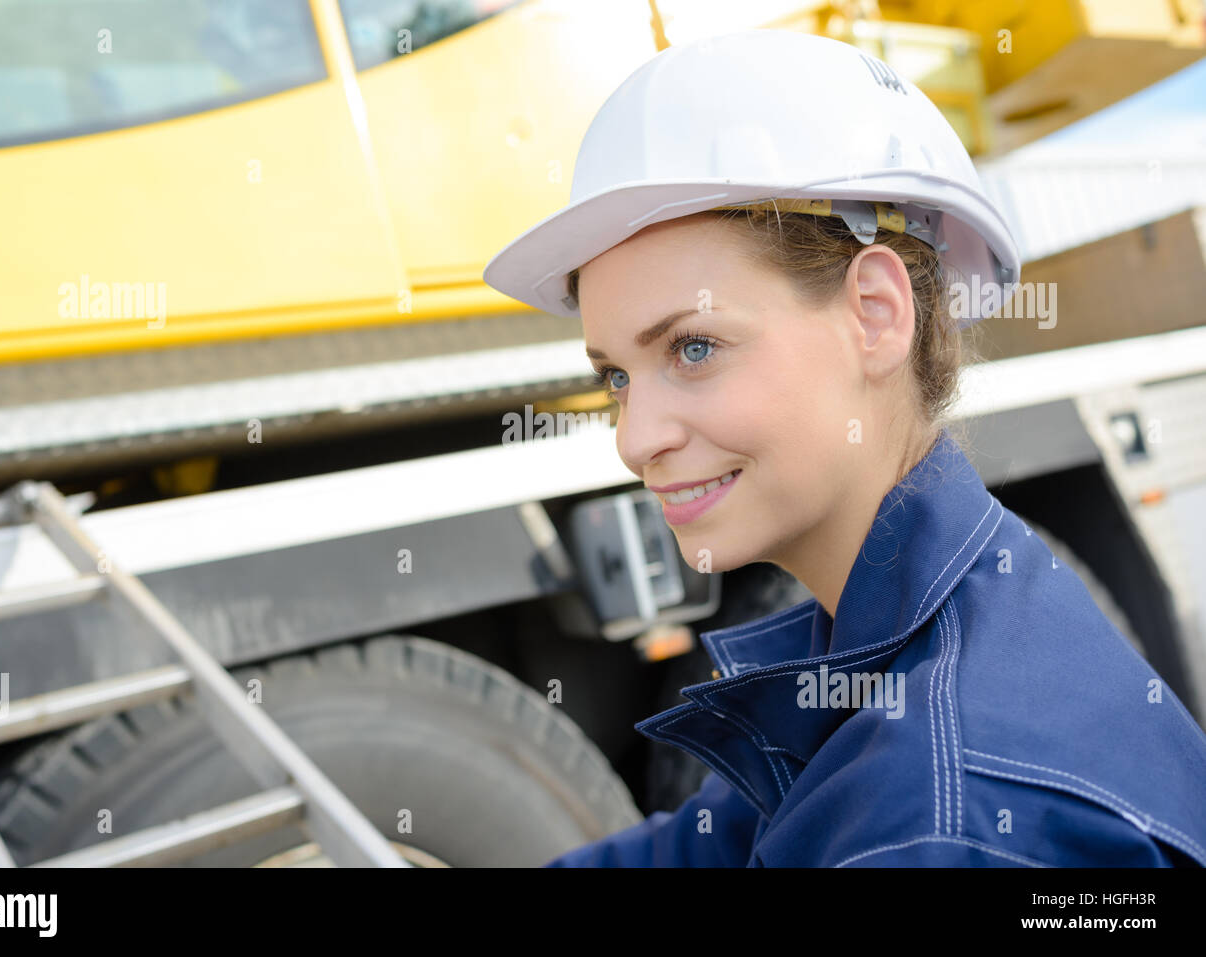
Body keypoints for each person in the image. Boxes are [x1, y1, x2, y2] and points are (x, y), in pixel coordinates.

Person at [482, 28, 1206, 866]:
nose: (634, 438)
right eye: (616, 376)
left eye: (693, 348)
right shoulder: (908, 636)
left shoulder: (941, 823)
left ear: (877, 314)